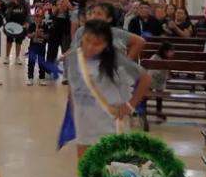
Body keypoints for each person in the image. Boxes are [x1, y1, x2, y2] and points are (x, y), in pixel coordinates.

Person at [65, 20, 152, 158]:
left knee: (108, 166)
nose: (90, 47)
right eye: (87, 41)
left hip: (108, 122)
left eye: (97, 44)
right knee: (84, 165)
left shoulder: (116, 61)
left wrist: (130, 106)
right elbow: (73, 84)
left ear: (106, 44)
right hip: (84, 121)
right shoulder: (74, 58)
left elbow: (145, 79)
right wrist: (72, 107)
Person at [3, 0, 29, 65]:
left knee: (18, 42)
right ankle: (7, 57)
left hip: (21, 26)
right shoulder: (10, 4)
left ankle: (17, 57)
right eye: (16, 0)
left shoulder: (25, 5)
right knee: (9, 41)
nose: (17, 2)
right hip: (11, 25)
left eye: (18, 0)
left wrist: (27, 22)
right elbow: (5, 12)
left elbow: (27, 14)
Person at [26, 12, 49, 86]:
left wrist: (41, 35)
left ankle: (42, 78)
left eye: (40, 17)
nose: (38, 18)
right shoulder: (32, 25)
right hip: (33, 47)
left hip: (41, 47)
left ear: (42, 18)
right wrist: (34, 33)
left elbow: (47, 36)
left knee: (41, 62)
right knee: (31, 62)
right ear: (35, 17)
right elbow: (28, 35)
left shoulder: (45, 26)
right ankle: (30, 78)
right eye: (37, 16)